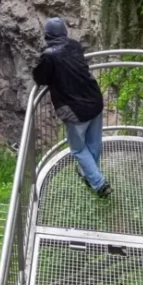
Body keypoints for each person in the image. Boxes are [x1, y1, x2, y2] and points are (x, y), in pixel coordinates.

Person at [32, 18, 112, 198]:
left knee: (77, 148)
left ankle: (99, 184)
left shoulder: (49, 55)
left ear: (48, 36)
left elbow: (40, 78)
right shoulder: (75, 45)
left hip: (76, 110)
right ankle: (89, 175)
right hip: (94, 100)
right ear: (64, 33)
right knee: (93, 143)